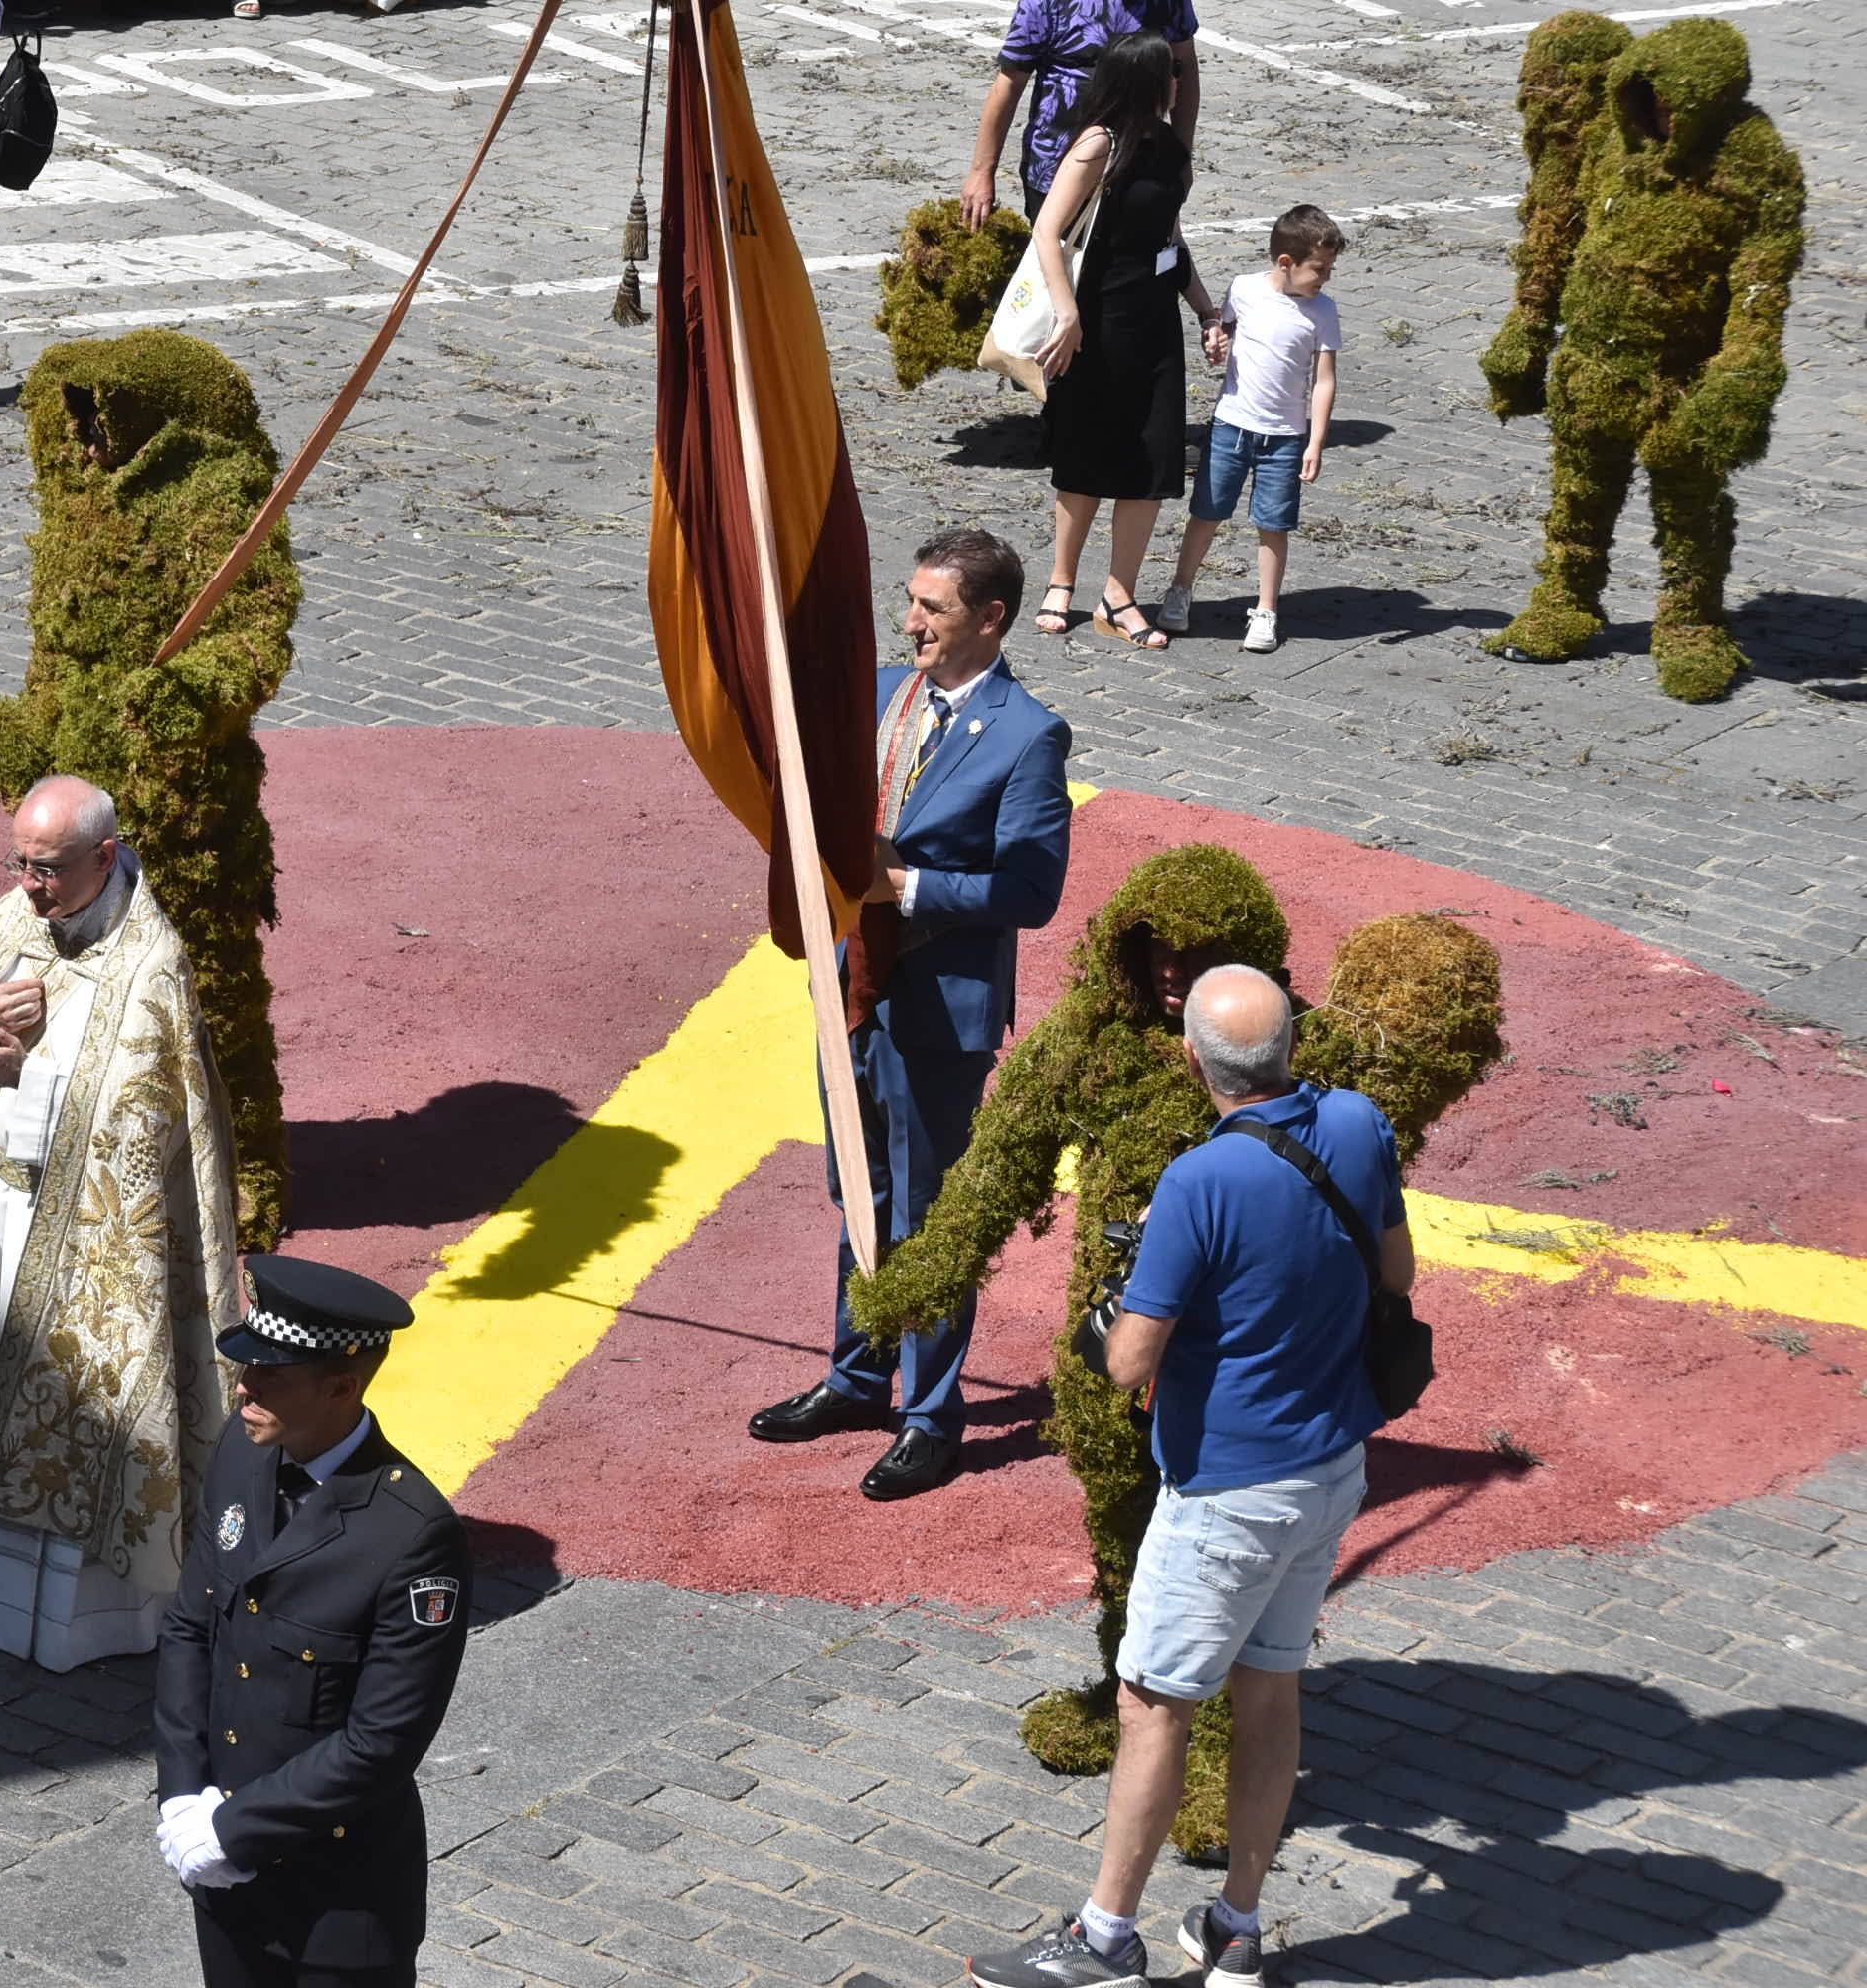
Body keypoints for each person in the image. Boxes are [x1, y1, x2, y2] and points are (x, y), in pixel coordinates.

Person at [965, 965, 1407, 1988]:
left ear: (1191, 1058)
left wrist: (1123, 1308)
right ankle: (1235, 1926)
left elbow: (1126, 1360)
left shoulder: (1201, 1180)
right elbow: (1395, 1276)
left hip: (1226, 1493)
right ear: (1289, 1044)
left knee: (1152, 1702)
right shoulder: (1355, 1122)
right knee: (1269, 1689)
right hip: (1331, 1466)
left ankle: (1105, 1938)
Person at [0, 774, 239, 1671]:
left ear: (104, 858)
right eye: (21, 864)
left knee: (79, 1408)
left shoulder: (151, 967)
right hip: (1, 1210)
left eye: (47, 870)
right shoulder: (10, 922)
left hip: (92, 1245)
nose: (29, 887)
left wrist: (25, 1073)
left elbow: (138, 1123)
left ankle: (84, 1622)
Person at [749, 528, 1072, 1501]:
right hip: (849, 989)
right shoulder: (883, 688)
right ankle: (856, 1377)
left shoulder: (1027, 734)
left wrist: (909, 885)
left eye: (931, 608)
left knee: (929, 1215)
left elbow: (1031, 888)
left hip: (935, 1009)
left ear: (990, 617)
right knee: (858, 1187)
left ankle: (932, 1416)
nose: (910, 621)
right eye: (910, 602)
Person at [153, 1255, 470, 1988]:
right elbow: (189, 1630)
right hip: (226, 1882)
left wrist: (232, 1831)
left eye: (273, 1375)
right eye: (247, 1367)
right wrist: (181, 1795)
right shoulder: (242, 1450)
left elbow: (380, 1743)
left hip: (338, 1908)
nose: (244, 1386)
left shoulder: (411, 1534)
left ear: (342, 1384)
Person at [1026, 33, 1227, 650]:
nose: (1179, 83)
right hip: (1097, 321)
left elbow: (1170, 240)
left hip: (1155, 323)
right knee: (1088, 452)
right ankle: (1061, 581)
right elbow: (1047, 231)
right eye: (1170, 73)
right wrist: (1068, 315)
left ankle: (1119, 593)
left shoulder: (1169, 147)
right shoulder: (1098, 144)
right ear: (1143, 81)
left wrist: (1205, 312)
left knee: (1152, 458)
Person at [1159, 207, 1346, 654]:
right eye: (1320, 269)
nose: (1326, 278)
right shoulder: (1243, 290)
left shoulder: (1323, 311)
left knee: (1273, 524)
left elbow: (1324, 379)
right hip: (1231, 426)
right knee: (1206, 511)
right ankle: (1180, 589)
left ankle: (1266, 609)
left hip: (1285, 436)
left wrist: (1315, 440)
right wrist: (1216, 340)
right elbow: (1222, 334)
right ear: (1287, 263)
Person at [960, 0, 1200, 226]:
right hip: (1056, 168)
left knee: (1136, 264)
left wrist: (1182, 156)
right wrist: (982, 172)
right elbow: (1009, 85)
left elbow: (1184, 66)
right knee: (1055, 255)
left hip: (1142, 168)